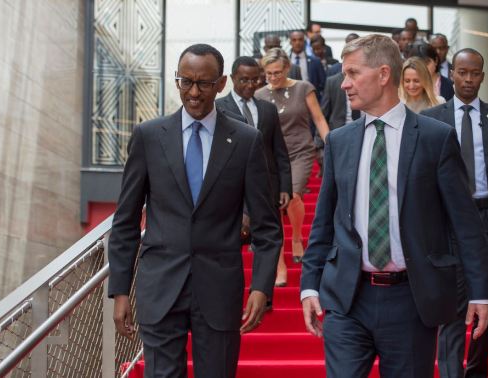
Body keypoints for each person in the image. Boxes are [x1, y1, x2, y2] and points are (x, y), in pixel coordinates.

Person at [300, 34, 488, 378]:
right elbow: (324, 223)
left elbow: (466, 225)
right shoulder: (340, 142)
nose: (344, 84)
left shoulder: (436, 138)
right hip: (347, 297)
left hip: (411, 300)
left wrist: (481, 293)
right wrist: (310, 284)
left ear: (384, 74)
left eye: (353, 74)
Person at [108, 44, 282, 377]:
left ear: (221, 83)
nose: (193, 92)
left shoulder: (247, 141)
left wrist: (261, 287)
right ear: (177, 81)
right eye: (185, 81)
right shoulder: (148, 136)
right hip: (159, 287)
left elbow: (267, 227)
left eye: (203, 83)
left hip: (219, 288)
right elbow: (126, 221)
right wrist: (119, 290)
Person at [421, 48, 488, 378]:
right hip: (447, 224)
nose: (468, 79)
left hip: (487, 221)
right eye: (462, 72)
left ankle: (476, 369)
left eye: (475, 73)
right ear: (451, 73)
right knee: (452, 309)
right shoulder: (431, 119)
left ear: (482, 76)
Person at [216, 56, 293, 285]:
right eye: (244, 80)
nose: (250, 85)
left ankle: (263, 292)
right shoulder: (219, 108)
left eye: (254, 80)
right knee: (231, 242)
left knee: (268, 239)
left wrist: (285, 186)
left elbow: (279, 150)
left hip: (266, 186)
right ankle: (230, 291)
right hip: (231, 189)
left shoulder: (267, 109)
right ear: (232, 79)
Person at [255, 48, 330, 264]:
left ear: (287, 68)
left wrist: (330, 144)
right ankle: (278, 254)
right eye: (268, 73)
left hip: (301, 151)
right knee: (275, 202)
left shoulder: (304, 88)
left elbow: (319, 119)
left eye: (277, 72)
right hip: (272, 155)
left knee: (294, 195)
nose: (273, 77)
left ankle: (297, 238)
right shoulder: (260, 95)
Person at [288, 30, 327, 97]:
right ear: (290, 42)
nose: (297, 43)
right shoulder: (285, 62)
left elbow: (323, 85)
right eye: (294, 40)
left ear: (304, 41)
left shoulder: (315, 61)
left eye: (300, 40)